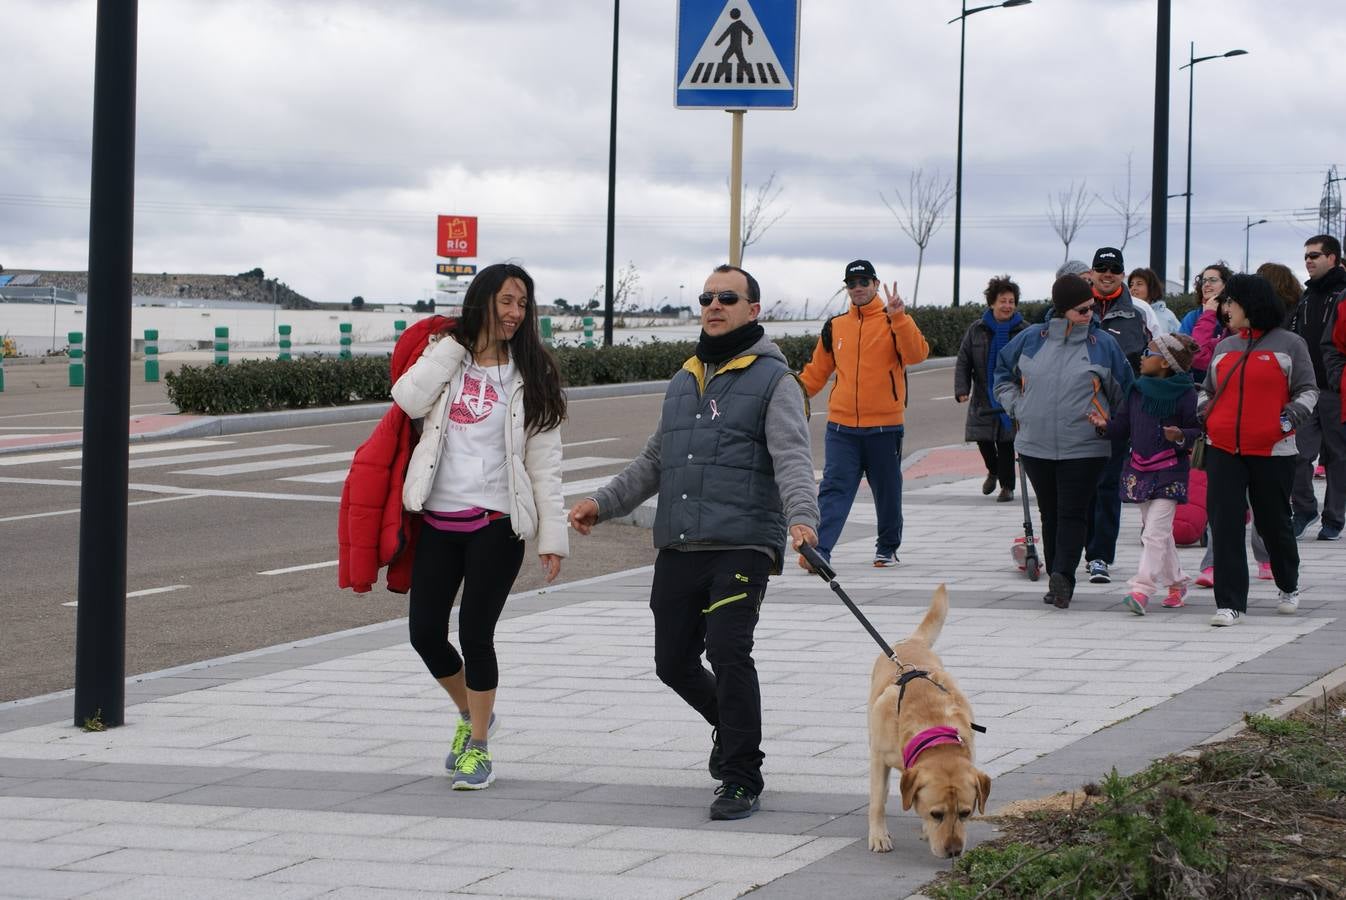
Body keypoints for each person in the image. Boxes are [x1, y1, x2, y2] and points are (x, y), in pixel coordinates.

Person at [567, 264, 819, 821]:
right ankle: (728, 729)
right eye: (707, 296)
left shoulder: (776, 381)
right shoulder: (684, 379)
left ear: (754, 310)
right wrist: (603, 502)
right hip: (681, 543)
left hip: (743, 542)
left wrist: (803, 522)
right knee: (672, 662)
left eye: (728, 297)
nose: (713, 305)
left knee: (729, 650)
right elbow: (656, 459)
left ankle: (741, 775)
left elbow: (793, 458)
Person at [391, 262, 569, 790]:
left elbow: (546, 464)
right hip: (439, 520)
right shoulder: (446, 356)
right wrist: (454, 345)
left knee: (475, 632)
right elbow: (408, 399)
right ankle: (475, 713)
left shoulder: (533, 374)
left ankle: (480, 749)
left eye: (522, 304)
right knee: (425, 633)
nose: (514, 313)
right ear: (482, 300)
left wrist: (551, 537)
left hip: (496, 523)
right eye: (506, 301)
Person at [994, 275, 1133, 609]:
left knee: (1073, 512)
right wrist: (1018, 406)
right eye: (1082, 309)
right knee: (1051, 513)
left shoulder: (1103, 345)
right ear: (1063, 310)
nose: (1090, 314)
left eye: (1091, 308)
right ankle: (1058, 574)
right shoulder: (1030, 339)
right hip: (1035, 446)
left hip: (1085, 446)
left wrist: (1110, 425)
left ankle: (1063, 577)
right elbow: (1001, 375)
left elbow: (1125, 392)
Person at [1199, 274, 1318, 626]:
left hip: (1273, 451)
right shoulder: (1225, 347)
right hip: (1222, 448)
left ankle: (1288, 584)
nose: (1225, 309)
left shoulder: (1291, 345)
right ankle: (1230, 602)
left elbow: (1308, 391)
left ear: (1249, 305)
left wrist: (1284, 423)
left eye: (1230, 302)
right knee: (1225, 525)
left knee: (1273, 523)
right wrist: (1206, 415)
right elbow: (1207, 389)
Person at [798, 260, 930, 567]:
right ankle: (821, 551)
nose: (858, 288)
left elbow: (916, 354)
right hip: (841, 427)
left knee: (887, 491)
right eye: (852, 284)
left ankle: (887, 546)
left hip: (885, 427)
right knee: (834, 488)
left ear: (875, 284)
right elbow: (816, 372)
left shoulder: (893, 321)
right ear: (847, 288)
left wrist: (899, 317)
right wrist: (788, 396)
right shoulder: (835, 327)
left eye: (864, 282)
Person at [1087, 333, 1201, 614]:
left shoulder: (1186, 393)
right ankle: (1176, 583)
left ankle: (1141, 589)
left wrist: (1180, 435)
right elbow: (1123, 427)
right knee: (1160, 534)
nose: (1142, 356)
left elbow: (1196, 431)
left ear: (1164, 362)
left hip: (1170, 471)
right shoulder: (1137, 390)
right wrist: (1104, 425)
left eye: (1148, 352)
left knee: (1152, 533)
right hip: (1140, 470)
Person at [1084, 247, 1153, 585]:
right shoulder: (1075, 308)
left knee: (1107, 487)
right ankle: (1070, 551)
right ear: (1092, 271)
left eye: (1113, 268)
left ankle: (1100, 557)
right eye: (1101, 267)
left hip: (1117, 418)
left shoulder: (1140, 313)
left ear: (1123, 274)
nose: (1107, 273)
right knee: (1075, 489)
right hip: (1075, 416)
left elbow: (1152, 363)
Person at [1286, 235, 1346, 541]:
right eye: (1306, 256)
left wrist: (1337, 379)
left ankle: (1334, 518)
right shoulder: (1306, 298)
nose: (1308, 260)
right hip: (1306, 392)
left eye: (1315, 255)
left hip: (1336, 392)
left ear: (1333, 258)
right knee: (1297, 454)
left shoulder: (1344, 294)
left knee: (1338, 458)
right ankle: (1305, 509)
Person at [954, 274, 1028, 501]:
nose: (1007, 306)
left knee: (1007, 443)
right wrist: (962, 387)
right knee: (983, 439)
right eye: (1003, 301)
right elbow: (964, 360)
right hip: (983, 395)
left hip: (1011, 395)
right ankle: (993, 470)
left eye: (1011, 301)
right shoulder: (977, 329)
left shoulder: (1024, 330)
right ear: (992, 303)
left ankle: (1007, 487)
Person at [1186, 263, 1234, 383]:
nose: (1206, 284)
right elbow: (1187, 352)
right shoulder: (1193, 316)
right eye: (1204, 281)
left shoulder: (1235, 315)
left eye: (1213, 280)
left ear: (1226, 285)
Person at [1128, 267, 1178, 334]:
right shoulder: (1126, 313)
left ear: (1151, 287)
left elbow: (1181, 340)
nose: (1133, 288)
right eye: (1131, 285)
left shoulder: (1167, 315)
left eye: (1139, 284)